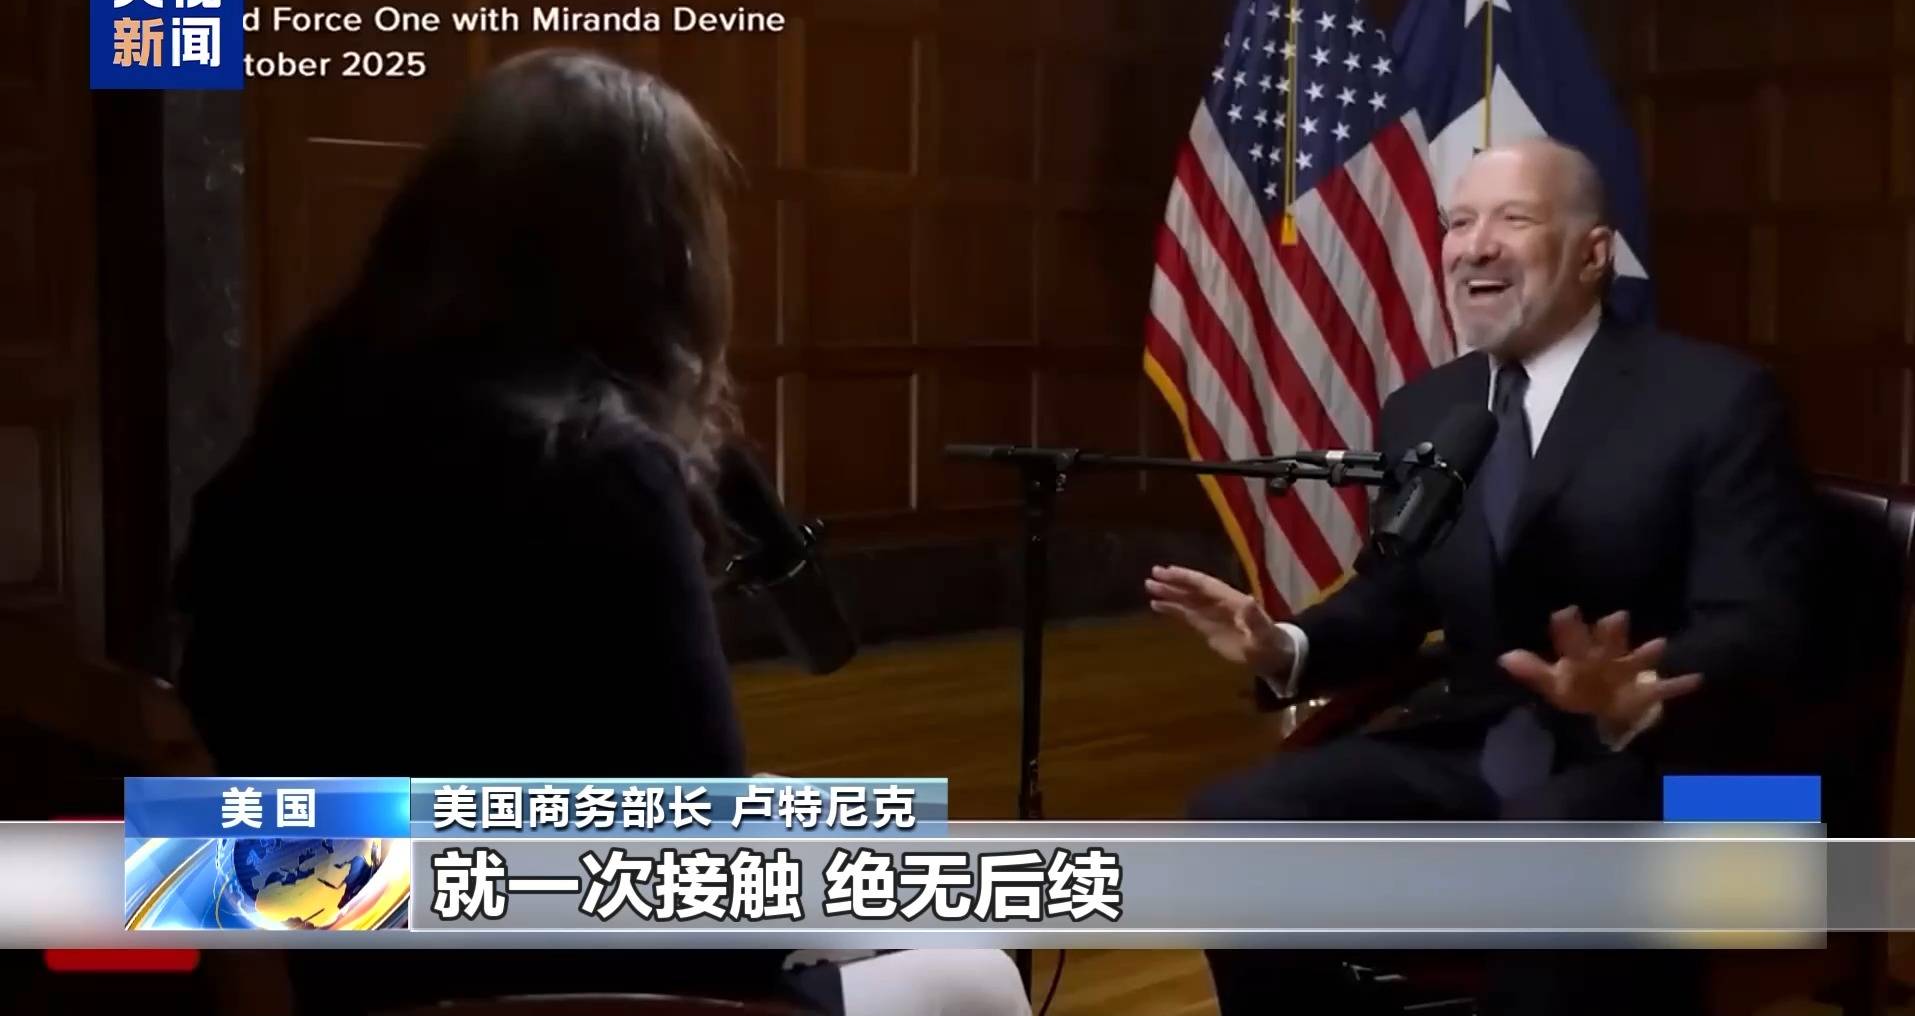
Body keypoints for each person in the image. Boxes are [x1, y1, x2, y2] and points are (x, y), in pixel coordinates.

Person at [175, 49, 1028, 1016]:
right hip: (510, 972)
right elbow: (697, 901)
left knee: (896, 850)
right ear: (656, 260)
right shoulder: (596, 464)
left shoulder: (305, 417)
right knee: (976, 969)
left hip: (318, 915)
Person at [1145, 137, 1814, 1015]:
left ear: (1594, 253)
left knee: (1543, 846)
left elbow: (1762, 624)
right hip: (1482, 751)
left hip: (1686, 769)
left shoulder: (1717, 397)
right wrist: (1287, 644)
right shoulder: (1427, 409)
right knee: (1239, 821)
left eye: (1513, 219)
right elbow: (1393, 594)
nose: (1474, 246)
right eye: (1457, 223)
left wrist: (1635, 689)